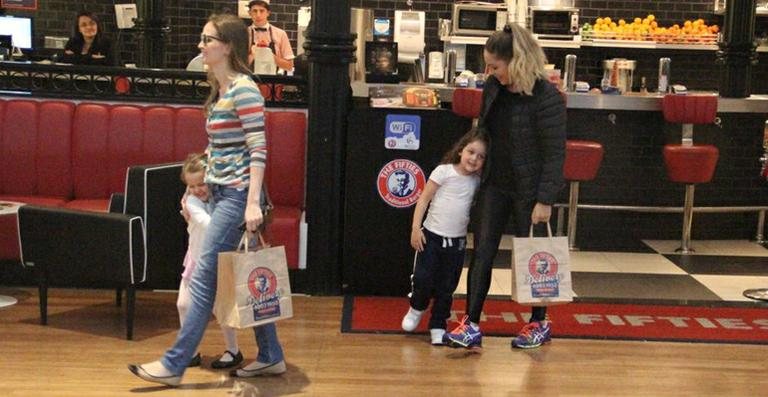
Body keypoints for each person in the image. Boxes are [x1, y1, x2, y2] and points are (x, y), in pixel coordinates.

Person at [128, 13, 285, 387]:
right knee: (245, 278)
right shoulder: (222, 90)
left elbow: (258, 150)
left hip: (236, 196)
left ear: (227, 45)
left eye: (207, 39)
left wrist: (251, 204)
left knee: (203, 279)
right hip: (221, 192)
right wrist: (197, 186)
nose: (201, 45)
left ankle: (174, 363)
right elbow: (220, 148)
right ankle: (272, 356)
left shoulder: (244, 89)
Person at [443, 23, 566, 350]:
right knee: (482, 252)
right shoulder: (493, 89)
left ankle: (539, 321)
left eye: (495, 66)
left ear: (517, 61)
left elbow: (555, 153)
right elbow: (484, 131)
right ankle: (470, 323)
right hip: (496, 183)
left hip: (531, 189)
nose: (490, 71)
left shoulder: (547, 97)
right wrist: (467, 160)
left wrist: (545, 199)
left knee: (536, 258)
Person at [401, 129, 487, 345]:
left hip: (456, 243)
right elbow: (423, 200)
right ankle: (417, 307)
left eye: (481, 156)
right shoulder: (443, 171)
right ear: (460, 150)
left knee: (446, 286)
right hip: (430, 238)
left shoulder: (476, 182)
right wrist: (415, 228)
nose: (474, 159)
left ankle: (438, 324)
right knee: (422, 278)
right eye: (471, 152)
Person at [175, 153, 243, 370]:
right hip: (196, 259)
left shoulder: (219, 199)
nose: (197, 189)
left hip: (218, 261)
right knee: (182, 304)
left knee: (220, 308)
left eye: (201, 184)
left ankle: (233, 350)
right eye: (191, 186)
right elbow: (209, 225)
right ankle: (190, 352)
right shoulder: (192, 201)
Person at [246, 0, 295, 73]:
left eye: (262, 11)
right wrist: (252, 54)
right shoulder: (243, 34)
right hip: (249, 81)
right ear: (249, 13)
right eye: (255, 11)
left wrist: (269, 55)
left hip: (274, 82)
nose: (258, 15)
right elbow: (237, 67)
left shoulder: (281, 34)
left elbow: (289, 66)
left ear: (268, 13)